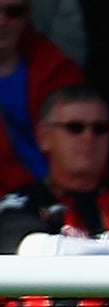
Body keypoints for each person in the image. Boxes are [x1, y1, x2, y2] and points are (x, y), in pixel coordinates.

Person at [0, 87, 109, 252]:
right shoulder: (20, 205)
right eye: (75, 127)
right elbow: (34, 250)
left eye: (99, 128)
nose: (88, 137)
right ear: (44, 137)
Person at [0, 5, 82, 196]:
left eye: (14, 12)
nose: (2, 21)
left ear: (28, 15)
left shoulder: (59, 71)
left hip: (70, 201)